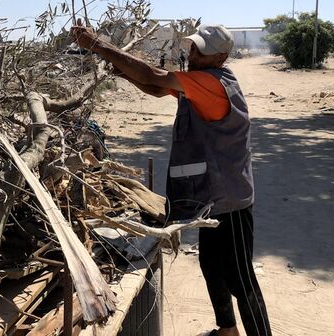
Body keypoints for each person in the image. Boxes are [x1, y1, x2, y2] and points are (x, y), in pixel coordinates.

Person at [72, 22, 272, 336]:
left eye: (199, 51)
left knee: (241, 278)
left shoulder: (212, 82)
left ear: (219, 58)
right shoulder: (198, 81)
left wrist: (98, 44)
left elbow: (155, 77)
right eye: (192, 47)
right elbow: (156, 87)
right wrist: (122, 71)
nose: (191, 53)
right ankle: (227, 330)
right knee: (210, 266)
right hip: (211, 197)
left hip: (229, 199)